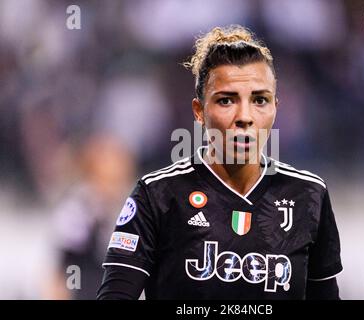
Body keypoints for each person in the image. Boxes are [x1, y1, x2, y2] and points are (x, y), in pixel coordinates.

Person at [97, 25, 343, 300]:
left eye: (259, 100)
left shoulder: (308, 196)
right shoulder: (157, 196)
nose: (245, 116)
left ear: (275, 107)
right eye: (226, 100)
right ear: (199, 111)